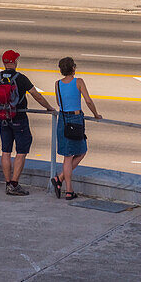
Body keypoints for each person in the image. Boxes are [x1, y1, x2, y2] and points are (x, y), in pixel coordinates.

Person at [0, 49, 56, 196]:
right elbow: (36, 95)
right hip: (19, 118)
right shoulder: (20, 78)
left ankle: (8, 182)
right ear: (14, 62)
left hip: (3, 118)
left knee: (6, 151)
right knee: (21, 151)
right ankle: (14, 184)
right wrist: (49, 108)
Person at [51, 57, 101, 202]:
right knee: (80, 152)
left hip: (63, 119)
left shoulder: (57, 84)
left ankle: (61, 181)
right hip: (76, 119)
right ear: (73, 68)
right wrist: (96, 114)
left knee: (67, 155)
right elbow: (88, 100)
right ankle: (68, 189)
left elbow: (59, 102)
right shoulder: (78, 81)